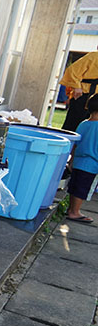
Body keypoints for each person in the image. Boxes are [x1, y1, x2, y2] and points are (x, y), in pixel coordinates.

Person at [65, 94, 98, 223]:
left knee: (74, 187)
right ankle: (75, 212)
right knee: (82, 189)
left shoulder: (83, 124)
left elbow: (75, 144)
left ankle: (71, 209)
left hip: (78, 161)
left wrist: (71, 160)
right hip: (91, 164)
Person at [60, 47, 98, 132]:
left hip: (95, 97)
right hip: (85, 95)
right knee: (73, 125)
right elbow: (72, 71)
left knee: (92, 129)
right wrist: (77, 86)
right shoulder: (94, 56)